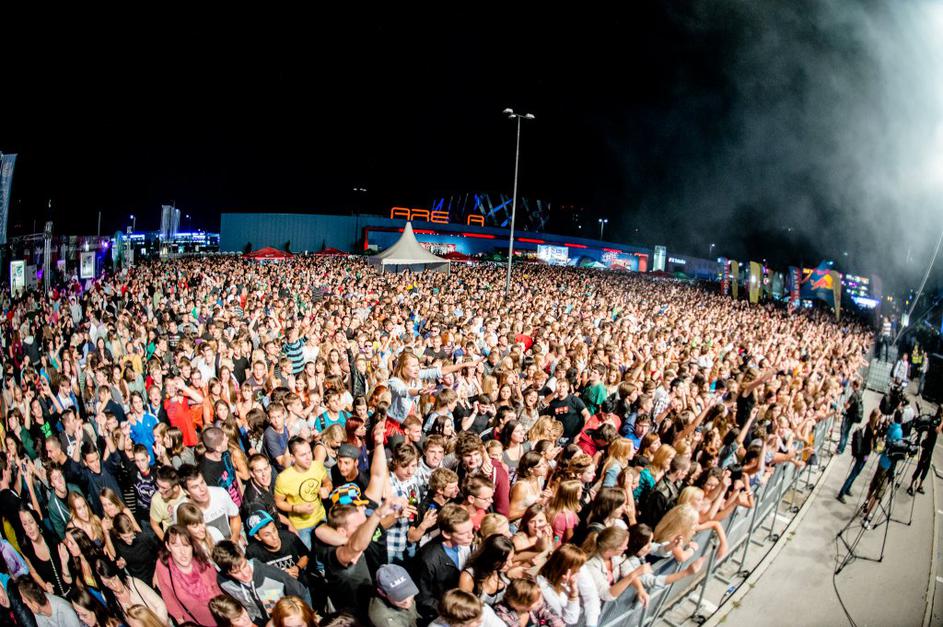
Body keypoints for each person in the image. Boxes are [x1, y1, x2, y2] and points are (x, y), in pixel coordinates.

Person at [213, 540, 311, 625]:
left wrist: (307, 618)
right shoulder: (224, 582)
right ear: (227, 573)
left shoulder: (270, 573)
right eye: (236, 572)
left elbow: (301, 593)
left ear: (245, 557)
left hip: (280, 621)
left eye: (244, 566)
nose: (245, 574)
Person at [415, 504, 476, 624]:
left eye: (471, 530)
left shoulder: (465, 544)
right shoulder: (428, 559)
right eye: (464, 533)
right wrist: (451, 611)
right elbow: (423, 598)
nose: (471, 536)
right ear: (447, 534)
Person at [154, 525, 222, 626]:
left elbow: (218, 588)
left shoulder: (202, 562)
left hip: (220, 617)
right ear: (168, 546)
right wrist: (179, 619)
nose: (182, 552)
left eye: (186, 545)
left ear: (192, 546)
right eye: (176, 546)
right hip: (194, 621)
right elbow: (167, 595)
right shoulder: (163, 566)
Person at [274, 436, 332, 549]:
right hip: (301, 526)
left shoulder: (317, 466)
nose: (308, 458)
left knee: (327, 552)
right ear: (293, 458)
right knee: (308, 555)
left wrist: (327, 489)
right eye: (302, 455)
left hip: (321, 518)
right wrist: (295, 508)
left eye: (309, 452)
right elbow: (278, 502)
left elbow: (327, 482)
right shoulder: (283, 478)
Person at [176, 464, 242, 545]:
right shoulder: (181, 510)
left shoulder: (220, 493)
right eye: (195, 487)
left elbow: (234, 516)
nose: (202, 489)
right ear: (186, 491)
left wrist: (234, 538)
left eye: (202, 482)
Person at [95, 557, 168, 625]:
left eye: (114, 579)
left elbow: (160, 605)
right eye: (108, 583)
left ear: (117, 573)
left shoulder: (134, 583)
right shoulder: (108, 598)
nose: (114, 585)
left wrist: (160, 623)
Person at [863, 413, 904, 528]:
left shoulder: (890, 427)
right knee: (879, 492)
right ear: (902, 420)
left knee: (874, 483)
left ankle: (866, 503)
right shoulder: (899, 431)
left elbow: (884, 441)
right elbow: (897, 449)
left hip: (882, 460)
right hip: (888, 464)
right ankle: (868, 516)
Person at [837, 409, 881, 503]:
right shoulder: (870, 428)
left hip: (866, 454)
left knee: (857, 472)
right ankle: (841, 493)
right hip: (863, 453)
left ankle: (848, 488)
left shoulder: (872, 426)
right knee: (854, 473)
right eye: (879, 416)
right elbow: (872, 441)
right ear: (875, 417)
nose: (879, 418)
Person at [908, 408, 942, 496]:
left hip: (930, 450)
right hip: (927, 449)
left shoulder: (938, 420)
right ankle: (911, 486)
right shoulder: (936, 420)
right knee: (920, 467)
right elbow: (937, 430)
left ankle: (920, 485)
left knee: (926, 469)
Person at [836, 380, 863, 455]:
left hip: (849, 416)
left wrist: (845, 404)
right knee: (846, 433)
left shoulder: (854, 395)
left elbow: (847, 406)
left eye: (852, 385)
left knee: (844, 432)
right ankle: (842, 448)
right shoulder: (859, 394)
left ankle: (840, 449)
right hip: (853, 416)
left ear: (855, 385)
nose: (851, 386)